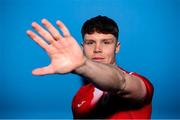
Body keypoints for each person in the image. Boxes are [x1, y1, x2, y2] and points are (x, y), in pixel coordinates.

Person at [26, 15, 154, 119]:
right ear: (82, 48)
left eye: (106, 42)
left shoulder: (138, 82)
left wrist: (82, 65)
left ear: (117, 47)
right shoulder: (79, 97)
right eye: (90, 42)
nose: (97, 49)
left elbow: (121, 82)